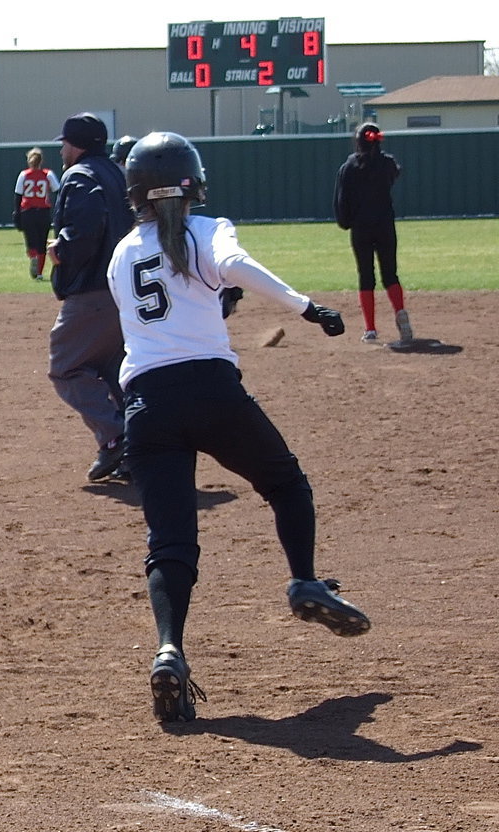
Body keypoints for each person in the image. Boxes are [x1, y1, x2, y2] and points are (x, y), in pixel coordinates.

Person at [106, 131, 371, 724]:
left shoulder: (122, 254)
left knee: (170, 542)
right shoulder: (208, 228)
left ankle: (169, 648)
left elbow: (168, 305)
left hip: (146, 403)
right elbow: (230, 265)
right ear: (194, 183)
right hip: (212, 392)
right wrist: (305, 307)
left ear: (135, 195)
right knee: (285, 484)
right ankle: (303, 581)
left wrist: (213, 298)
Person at [46, 112, 134, 482]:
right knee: (114, 370)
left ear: (77, 144)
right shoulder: (117, 172)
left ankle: (116, 440)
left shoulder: (80, 175)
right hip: (122, 286)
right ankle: (141, 444)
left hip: (93, 290)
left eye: (65, 142)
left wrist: (62, 249)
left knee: (66, 366)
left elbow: (85, 225)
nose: (62, 149)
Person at [333, 122, 413, 344]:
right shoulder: (386, 164)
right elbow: (396, 170)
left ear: (357, 141)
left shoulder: (349, 167)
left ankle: (370, 329)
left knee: (366, 276)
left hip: (361, 229)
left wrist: (345, 222)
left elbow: (341, 202)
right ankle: (401, 314)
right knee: (391, 275)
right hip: (385, 225)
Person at [13, 146, 60, 280]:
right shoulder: (48, 174)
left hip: (28, 211)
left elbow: (18, 195)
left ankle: (32, 257)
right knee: (42, 242)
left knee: (30, 241)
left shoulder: (24, 174)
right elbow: (58, 191)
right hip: (43, 212)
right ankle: (39, 273)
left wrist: (17, 213)